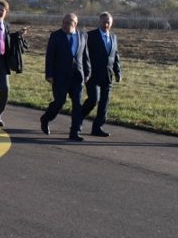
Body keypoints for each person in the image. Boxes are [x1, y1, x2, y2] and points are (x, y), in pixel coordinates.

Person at [40, 13, 91, 141]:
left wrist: (87, 72)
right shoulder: (56, 36)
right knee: (59, 102)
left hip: (77, 76)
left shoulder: (83, 36)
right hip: (60, 76)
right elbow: (50, 57)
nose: (64, 25)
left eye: (68, 23)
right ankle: (46, 118)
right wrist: (49, 74)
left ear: (75, 24)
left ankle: (75, 132)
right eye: (63, 22)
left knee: (77, 105)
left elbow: (85, 56)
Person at [80, 11, 121, 137]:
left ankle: (97, 127)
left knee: (104, 102)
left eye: (108, 22)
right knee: (93, 99)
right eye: (104, 21)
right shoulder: (90, 36)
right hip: (92, 75)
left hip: (107, 76)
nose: (106, 24)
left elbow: (115, 56)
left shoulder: (113, 37)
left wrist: (118, 72)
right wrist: (85, 71)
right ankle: (78, 118)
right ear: (99, 22)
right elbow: (83, 55)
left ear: (111, 23)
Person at [0, 0, 24, 128]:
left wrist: (18, 35)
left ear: (6, 12)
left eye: (1, 10)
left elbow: (7, 38)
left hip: (2, 61)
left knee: (5, 89)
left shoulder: (6, 25)